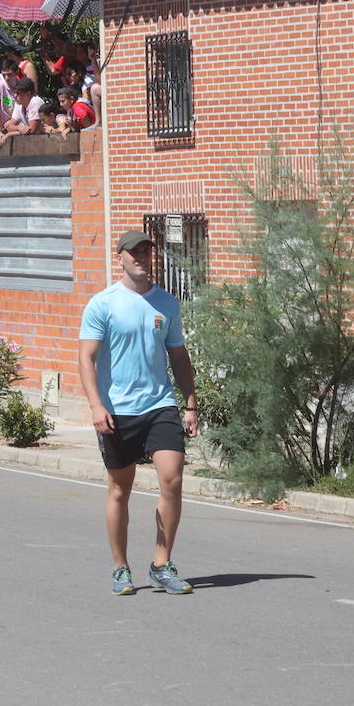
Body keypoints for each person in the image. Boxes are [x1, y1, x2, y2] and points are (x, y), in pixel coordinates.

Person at [78, 231, 199, 597]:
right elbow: (87, 358)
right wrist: (97, 405)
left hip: (160, 403)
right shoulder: (103, 304)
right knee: (119, 490)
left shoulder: (166, 303)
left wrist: (190, 404)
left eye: (147, 252)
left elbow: (178, 355)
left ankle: (161, 565)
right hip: (117, 410)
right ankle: (120, 568)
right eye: (135, 253)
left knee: (172, 480)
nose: (142, 258)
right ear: (120, 258)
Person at [0, 77, 45, 145]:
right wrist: (19, 127)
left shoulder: (35, 102)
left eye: (18, 93)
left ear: (28, 94)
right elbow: (9, 127)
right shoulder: (19, 103)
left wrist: (9, 134)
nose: (15, 96)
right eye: (15, 93)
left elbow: (32, 130)